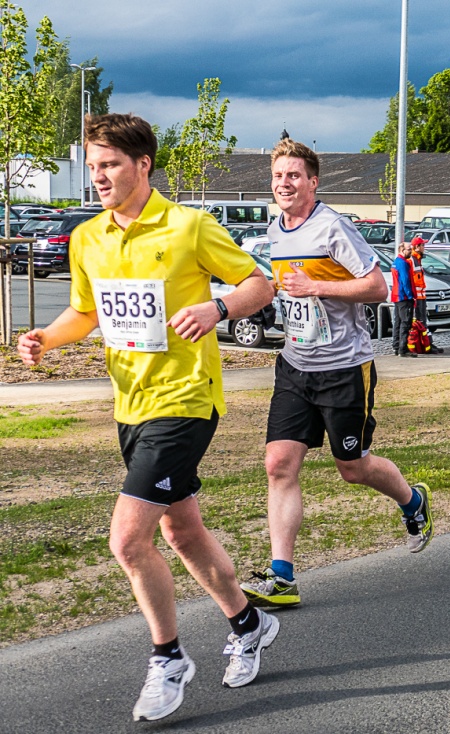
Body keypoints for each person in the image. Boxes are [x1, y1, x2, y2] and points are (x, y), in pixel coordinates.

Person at [17, 113, 279, 722]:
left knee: (129, 541)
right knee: (180, 531)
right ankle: (248, 623)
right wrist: (45, 339)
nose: (99, 177)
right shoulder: (87, 238)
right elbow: (84, 313)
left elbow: (258, 285)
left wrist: (217, 308)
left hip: (186, 400)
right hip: (130, 405)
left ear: (143, 165)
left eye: (110, 165)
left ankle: (168, 658)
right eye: (93, 167)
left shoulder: (188, 227)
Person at [241, 139, 434, 610]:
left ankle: (413, 502)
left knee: (353, 468)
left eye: (293, 176)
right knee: (279, 463)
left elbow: (379, 286)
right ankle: (282, 575)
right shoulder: (275, 228)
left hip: (344, 369)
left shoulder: (332, 227)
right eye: (277, 176)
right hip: (295, 365)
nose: (283, 184)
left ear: (313, 181)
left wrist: (316, 285)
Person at [409, 237, 444, 354]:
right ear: (417, 247)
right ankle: (424, 345)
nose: (424, 247)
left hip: (421, 297)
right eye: (422, 245)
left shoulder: (417, 259)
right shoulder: (413, 260)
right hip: (417, 297)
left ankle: (427, 344)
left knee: (423, 322)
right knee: (419, 322)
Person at [390, 241, 418, 357]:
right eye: (409, 249)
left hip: (397, 295)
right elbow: (405, 280)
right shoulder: (403, 263)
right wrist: (410, 295)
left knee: (398, 322)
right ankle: (402, 349)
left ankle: (396, 347)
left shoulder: (396, 262)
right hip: (404, 296)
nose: (411, 251)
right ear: (402, 250)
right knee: (405, 322)